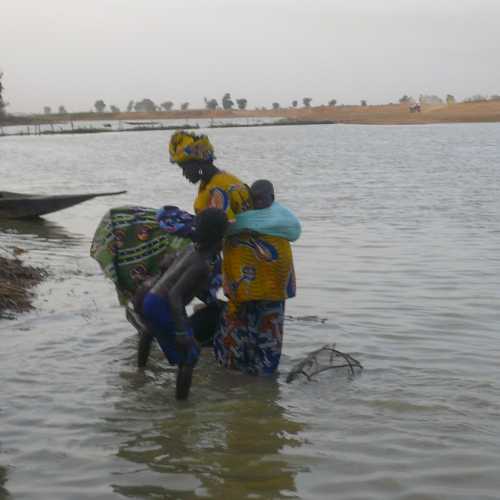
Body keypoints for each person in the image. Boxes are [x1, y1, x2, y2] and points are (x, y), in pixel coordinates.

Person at [169, 131, 297, 376]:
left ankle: (247, 399)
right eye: (180, 167)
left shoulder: (217, 190)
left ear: (201, 161)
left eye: (185, 166)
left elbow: (216, 232)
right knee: (264, 329)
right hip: (270, 261)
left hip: (252, 266)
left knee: (235, 338)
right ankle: (262, 393)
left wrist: (186, 249)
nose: (183, 172)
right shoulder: (224, 180)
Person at [134, 207, 229, 399]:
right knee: (190, 356)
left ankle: (139, 373)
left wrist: (159, 282)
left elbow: (165, 263)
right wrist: (182, 332)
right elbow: (175, 296)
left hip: (150, 296)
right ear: (219, 238)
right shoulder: (202, 265)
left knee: (149, 330)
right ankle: (182, 408)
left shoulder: (190, 249)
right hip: (162, 303)